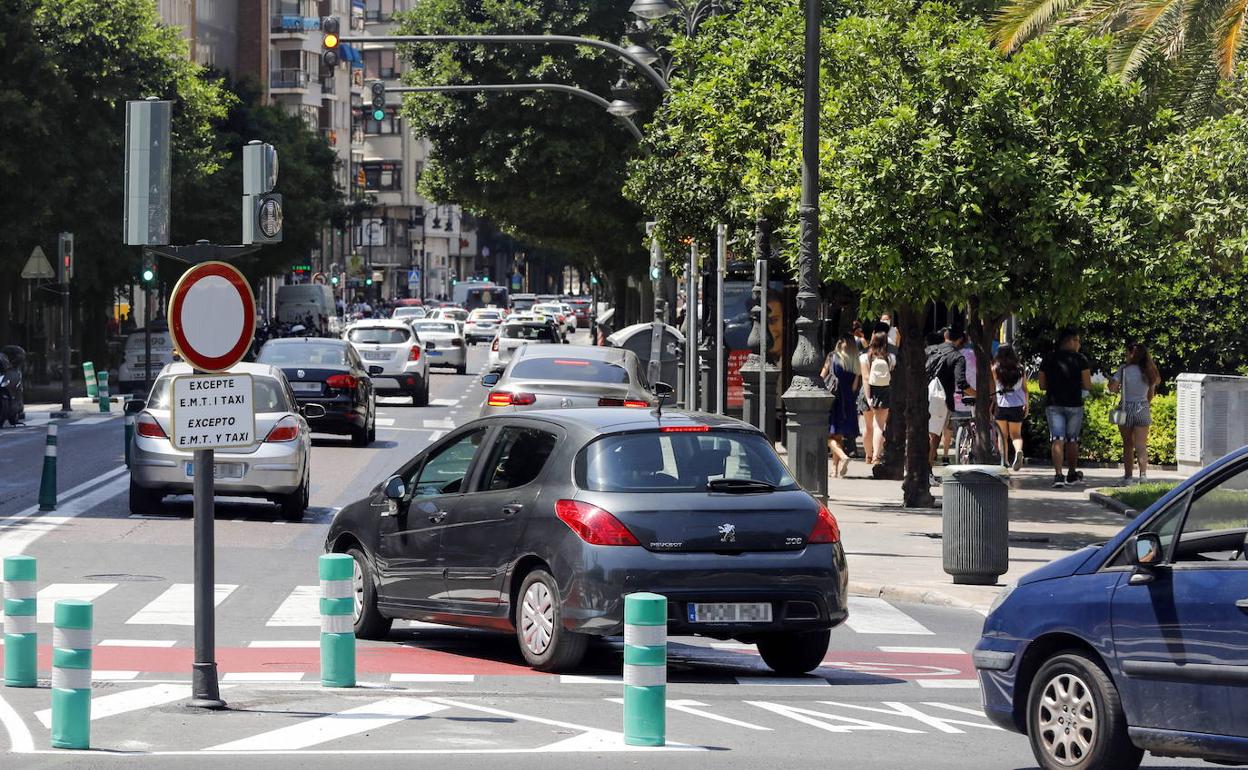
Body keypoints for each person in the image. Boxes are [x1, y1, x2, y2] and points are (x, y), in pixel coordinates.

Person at [1039, 330, 1093, 488]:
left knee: (1057, 439)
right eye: (1077, 341)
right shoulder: (1081, 359)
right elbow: (1088, 384)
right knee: (1072, 440)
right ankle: (1071, 473)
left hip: (1054, 403)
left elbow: (1042, 385)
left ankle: (1058, 475)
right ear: (1070, 342)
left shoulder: (1048, 359)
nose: (1079, 344)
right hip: (1075, 403)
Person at [1108, 343, 1162, 484]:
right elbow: (1151, 394)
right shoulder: (1150, 371)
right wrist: (1144, 404)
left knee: (1127, 444)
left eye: (1127, 353)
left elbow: (1112, 389)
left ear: (1133, 354)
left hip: (1125, 408)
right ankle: (1143, 476)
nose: (1126, 355)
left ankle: (1128, 477)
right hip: (1142, 408)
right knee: (1141, 445)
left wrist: (1111, 382)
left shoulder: (1123, 369)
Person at [927, 327, 969, 483]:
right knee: (934, 436)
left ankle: (923, 470)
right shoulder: (957, 356)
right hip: (940, 398)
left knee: (927, 434)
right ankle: (926, 471)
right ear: (959, 340)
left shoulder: (930, 350)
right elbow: (961, 383)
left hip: (923, 395)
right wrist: (977, 394)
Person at [821, 334, 861, 478]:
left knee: (825, 435)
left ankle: (843, 457)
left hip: (833, 400)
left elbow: (822, 376)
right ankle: (834, 469)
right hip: (847, 402)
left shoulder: (832, 357)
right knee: (838, 437)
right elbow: (854, 387)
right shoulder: (855, 362)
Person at [860, 331, 895, 465]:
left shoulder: (864, 357)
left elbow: (866, 378)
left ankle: (868, 455)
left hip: (867, 391)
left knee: (868, 427)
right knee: (879, 425)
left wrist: (868, 398)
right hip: (884, 392)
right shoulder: (890, 358)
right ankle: (876, 456)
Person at [993, 345, 1029, 471]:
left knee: (1002, 435)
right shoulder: (1020, 369)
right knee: (1016, 435)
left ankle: (1004, 462)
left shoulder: (995, 369)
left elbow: (994, 387)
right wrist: (1027, 404)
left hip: (1001, 404)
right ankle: (1018, 451)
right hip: (1017, 405)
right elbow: (1024, 388)